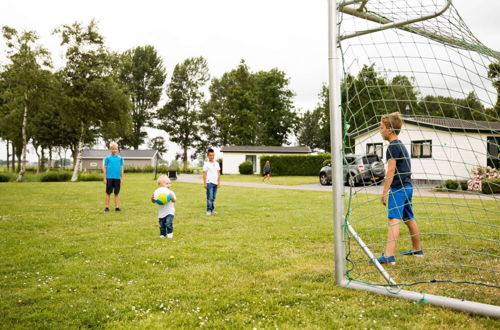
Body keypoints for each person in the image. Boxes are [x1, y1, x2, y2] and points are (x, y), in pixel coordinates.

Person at [372, 112, 422, 265]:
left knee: (393, 219)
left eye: (382, 128)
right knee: (408, 218)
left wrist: (385, 192)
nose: (380, 131)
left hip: (398, 189)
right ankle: (417, 250)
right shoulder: (401, 145)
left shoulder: (392, 147)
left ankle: (389, 256)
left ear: (390, 130)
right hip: (408, 187)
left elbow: (391, 170)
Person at [103, 142, 124, 212]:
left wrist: (122, 178)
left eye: (115, 149)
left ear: (117, 149)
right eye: (112, 149)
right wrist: (104, 178)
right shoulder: (107, 158)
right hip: (109, 178)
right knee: (108, 193)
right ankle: (106, 207)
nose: (114, 150)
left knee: (116, 193)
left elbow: (122, 169)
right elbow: (105, 168)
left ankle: (117, 207)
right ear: (110, 149)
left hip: (117, 178)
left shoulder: (120, 158)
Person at [203, 148, 221, 216]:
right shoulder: (206, 164)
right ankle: (208, 210)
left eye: (213, 155)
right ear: (208, 156)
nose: (212, 157)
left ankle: (212, 209)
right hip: (209, 183)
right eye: (210, 155)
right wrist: (205, 183)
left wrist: (219, 182)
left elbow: (218, 173)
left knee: (213, 197)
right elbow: (204, 174)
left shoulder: (217, 163)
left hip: (215, 183)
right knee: (209, 197)